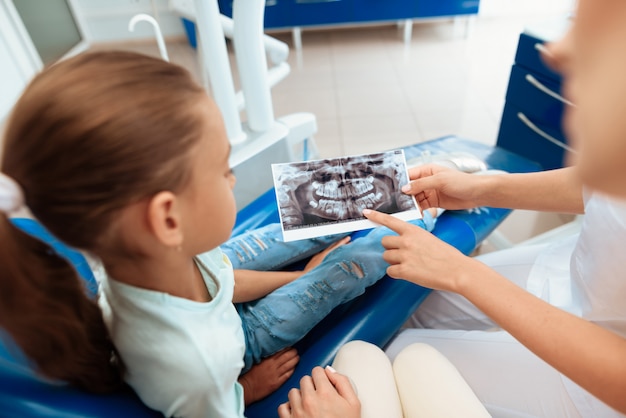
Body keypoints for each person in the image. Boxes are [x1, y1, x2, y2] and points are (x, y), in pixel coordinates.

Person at [0, 50, 439, 417]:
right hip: (241, 341)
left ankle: (413, 184)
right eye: (223, 169)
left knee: (314, 204)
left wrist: (298, 275)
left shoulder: (142, 256)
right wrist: (244, 389)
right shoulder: (196, 364)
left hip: (215, 281)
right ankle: (428, 209)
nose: (232, 180)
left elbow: (223, 278)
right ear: (169, 220)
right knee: (354, 266)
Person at [279, 0, 626, 416]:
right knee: (415, 306)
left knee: (401, 351)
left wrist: (463, 272)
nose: (556, 51)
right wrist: (480, 188)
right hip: (582, 275)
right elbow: (601, 184)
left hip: (602, 382)